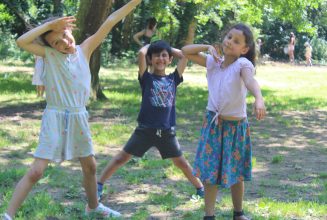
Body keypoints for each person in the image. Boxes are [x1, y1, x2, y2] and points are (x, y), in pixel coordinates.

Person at [2, 1, 142, 219]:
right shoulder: (48, 54)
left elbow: (111, 20)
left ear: (71, 30)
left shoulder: (84, 49)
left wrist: (134, 2)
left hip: (78, 116)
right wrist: (52, 26)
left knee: (91, 167)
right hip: (55, 116)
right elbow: (21, 41)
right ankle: (7, 215)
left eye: (65, 36)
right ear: (50, 47)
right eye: (57, 42)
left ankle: (93, 207)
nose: (64, 43)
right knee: (37, 171)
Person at [97, 40, 204, 201]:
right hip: (145, 130)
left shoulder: (174, 78)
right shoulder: (146, 78)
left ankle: (200, 188)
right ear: (150, 59)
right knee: (121, 158)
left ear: (169, 60)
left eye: (164, 56)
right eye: (156, 56)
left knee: (181, 163)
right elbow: (141, 53)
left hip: (167, 132)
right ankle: (98, 184)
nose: (160, 59)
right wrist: (154, 45)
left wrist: (167, 48)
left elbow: (184, 55)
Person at [182, 23, 266, 220]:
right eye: (229, 37)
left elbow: (250, 81)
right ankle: (209, 216)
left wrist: (259, 98)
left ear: (244, 49)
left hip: (236, 128)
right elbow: (186, 52)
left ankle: (238, 213)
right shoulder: (213, 62)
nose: (230, 42)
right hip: (213, 125)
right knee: (210, 174)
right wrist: (206, 47)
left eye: (236, 41)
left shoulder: (243, 65)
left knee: (236, 173)